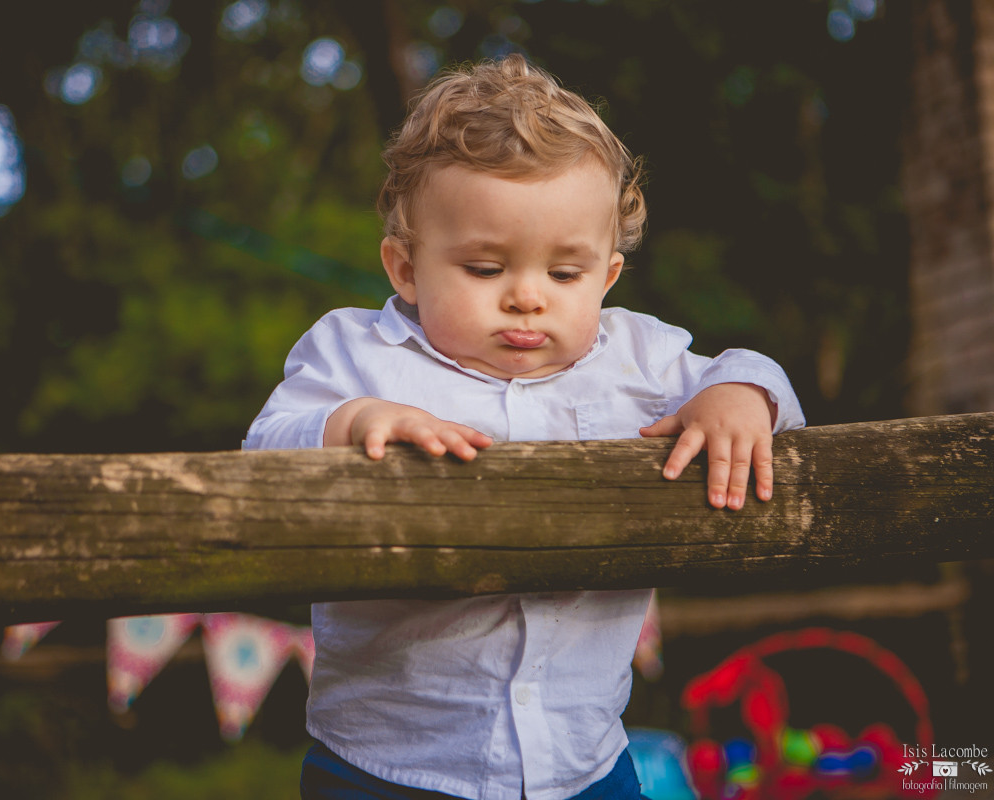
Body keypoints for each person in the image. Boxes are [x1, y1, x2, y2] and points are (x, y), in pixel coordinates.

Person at [243, 55, 805, 800]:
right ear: (405, 269)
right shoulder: (357, 354)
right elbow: (261, 450)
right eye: (485, 269)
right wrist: (352, 421)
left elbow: (757, 375)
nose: (527, 298)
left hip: (585, 763)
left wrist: (739, 394)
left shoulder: (637, 358)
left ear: (606, 277)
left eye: (565, 274)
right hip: (390, 764)